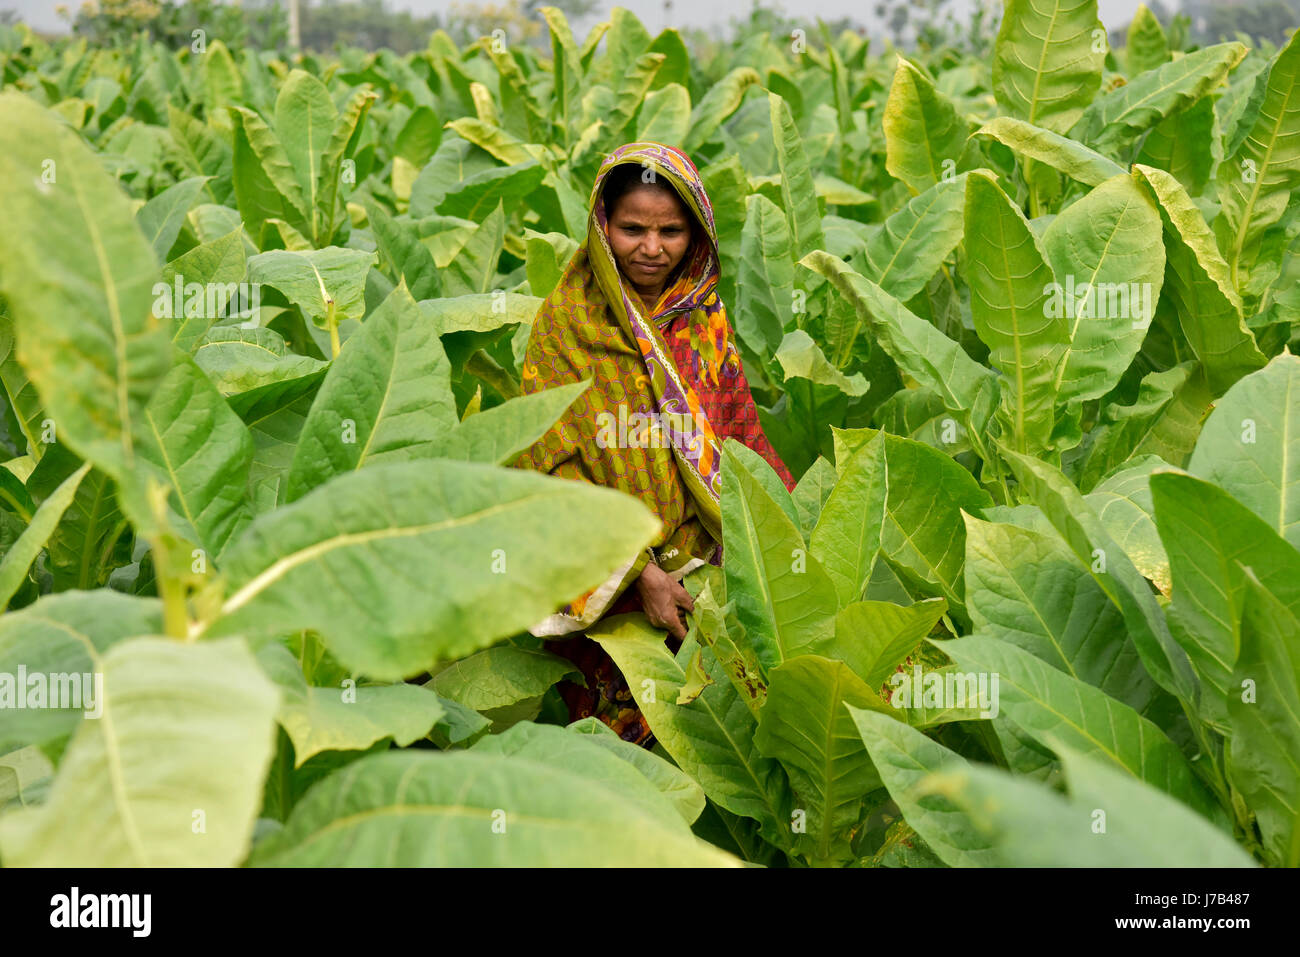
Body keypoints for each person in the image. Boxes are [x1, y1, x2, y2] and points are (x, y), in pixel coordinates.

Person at [513, 141, 794, 746]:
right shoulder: (567, 323)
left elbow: (737, 429)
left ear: (695, 235)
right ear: (601, 226)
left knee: (722, 740)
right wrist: (638, 571)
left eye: (671, 230)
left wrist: (791, 522)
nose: (652, 248)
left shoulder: (700, 314)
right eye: (632, 228)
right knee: (628, 749)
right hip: (610, 583)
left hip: (704, 565)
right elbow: (544, 465)